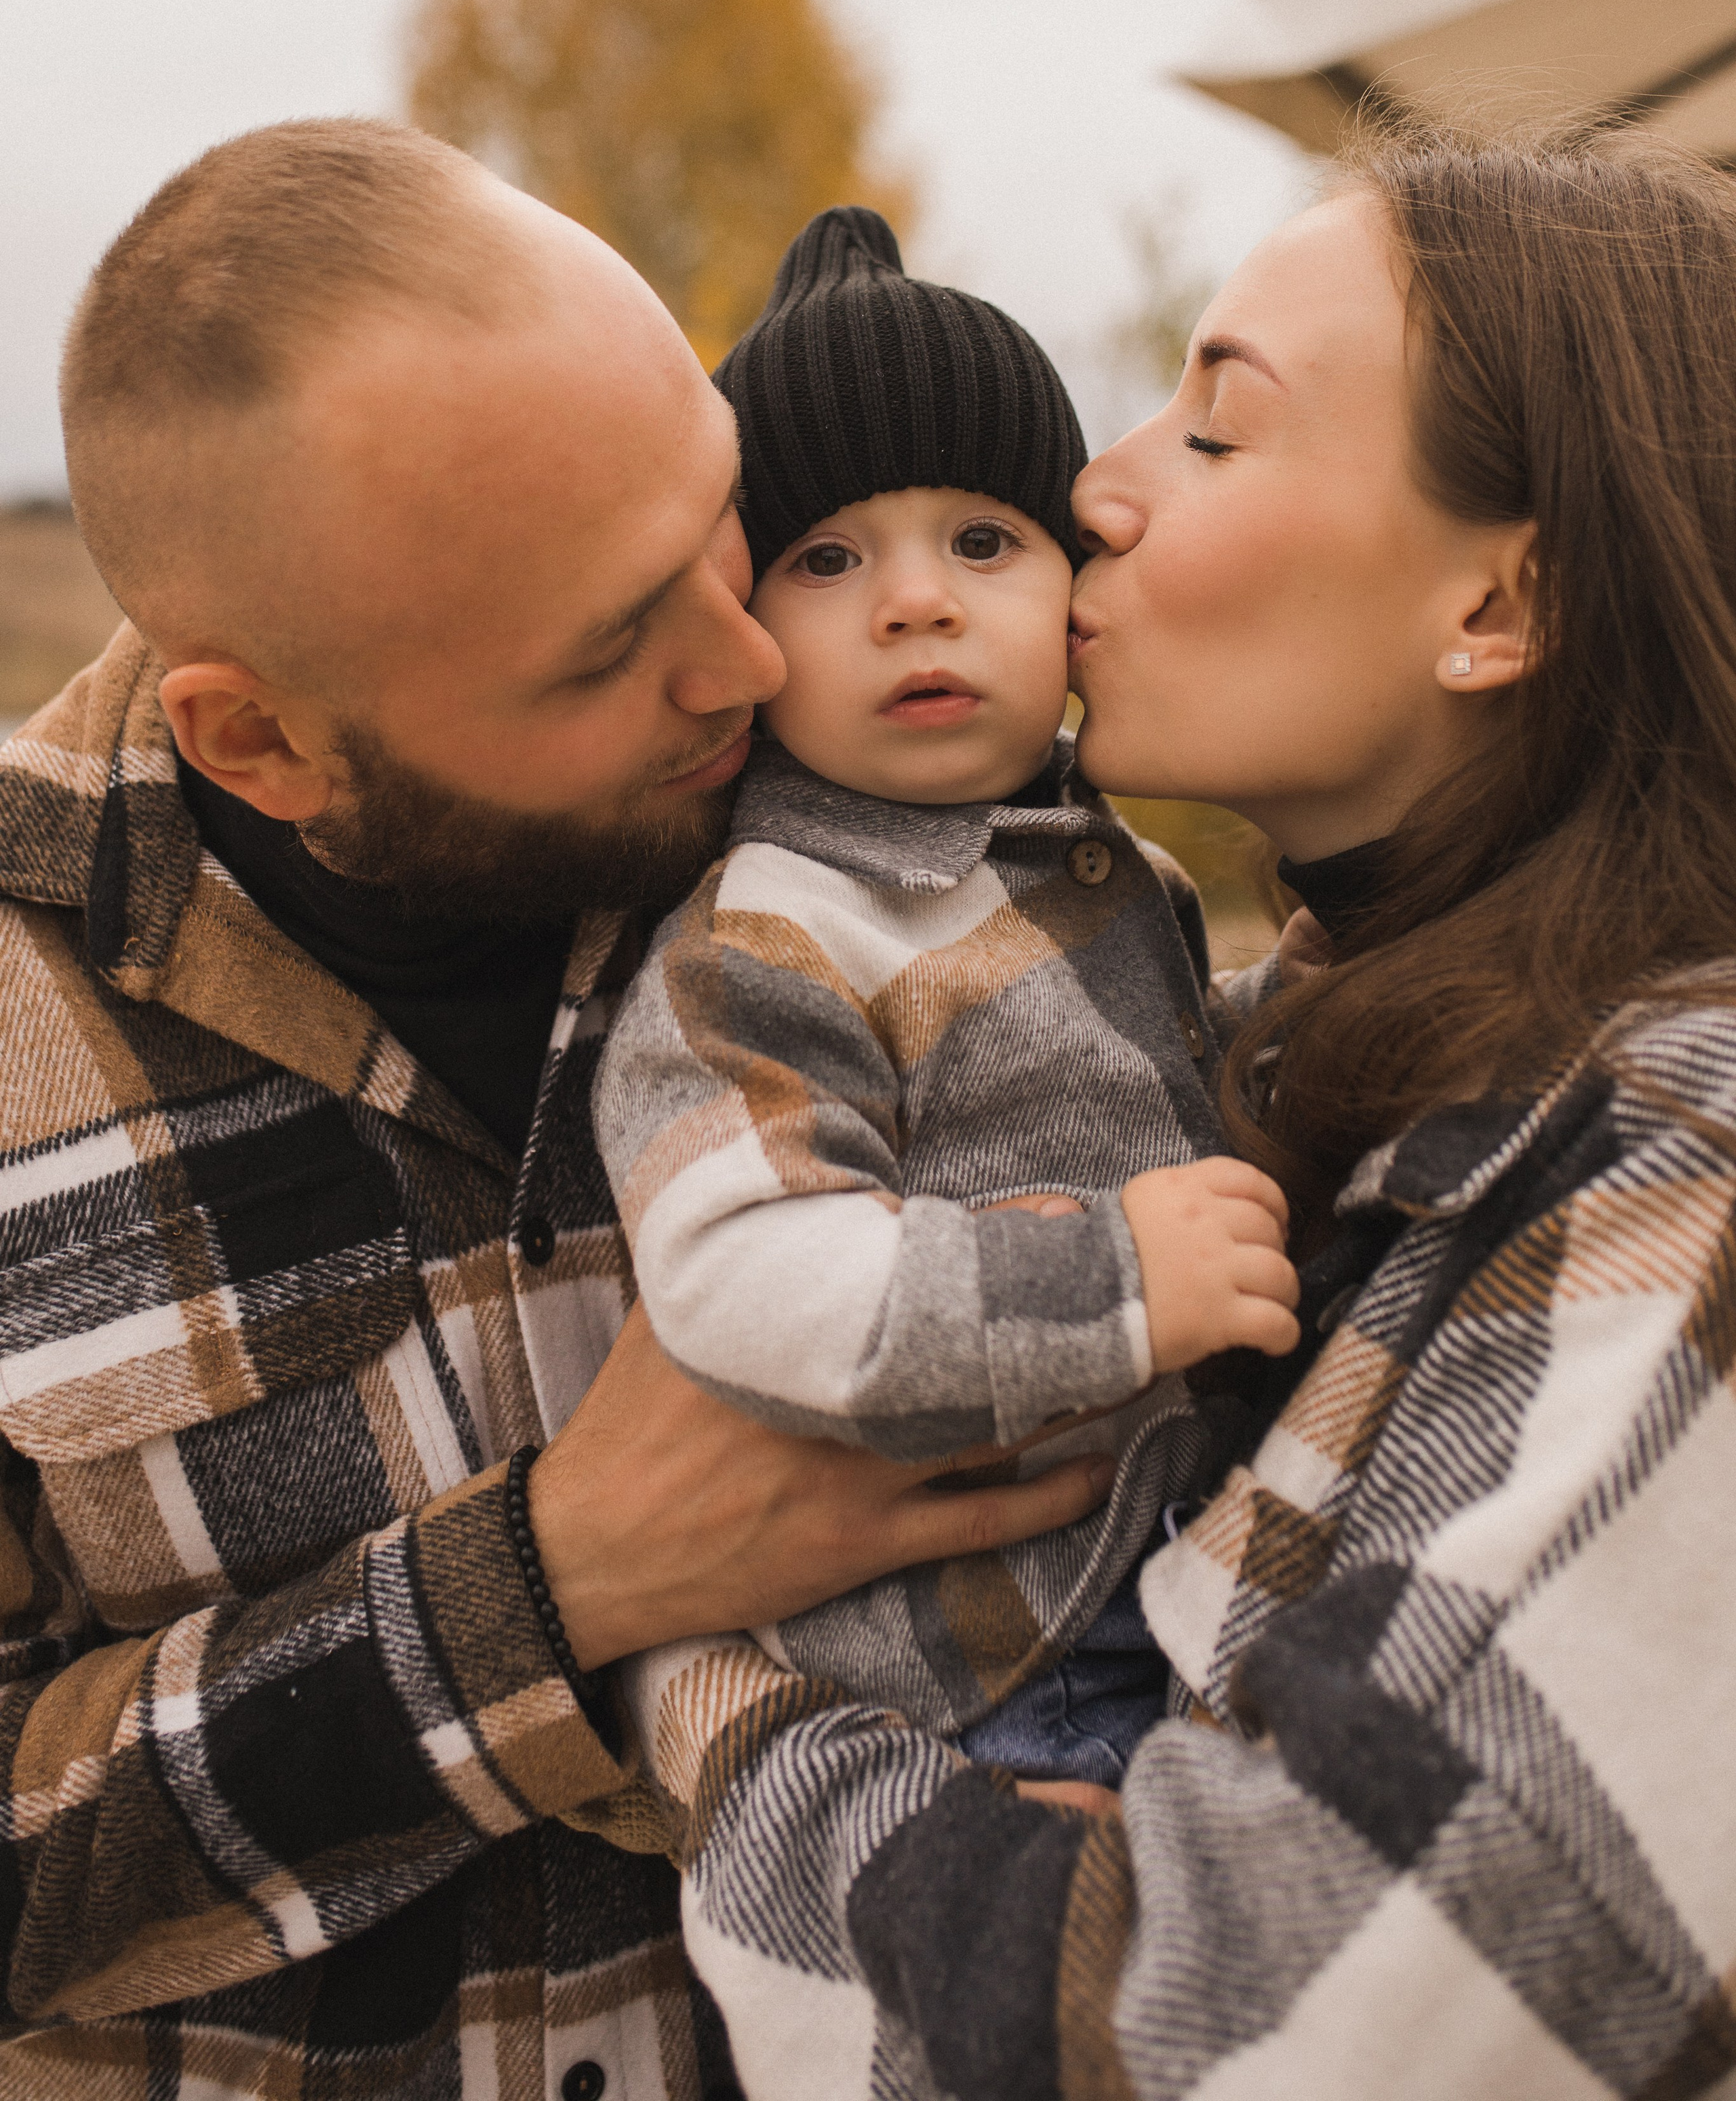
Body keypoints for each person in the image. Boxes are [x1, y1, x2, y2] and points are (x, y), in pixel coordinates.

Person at [0, 119, 1115, 2097]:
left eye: (721, 513)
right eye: (613, 647)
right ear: (263, 742)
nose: (747, 658)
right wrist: (543, 1592)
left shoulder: (857, 828)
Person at [625, 121, 1736, 2101]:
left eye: (1215, 428)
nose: (1092, 493)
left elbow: (1194, 2041)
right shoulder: (1333, 1052)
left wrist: (692, 1671)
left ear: (1499, 605)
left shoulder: (1680, 1164)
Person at [595, 205, 1297, 1790]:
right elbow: (740, 1270)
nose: (914, 601)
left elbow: (1166, 1087)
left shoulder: (1092, 871)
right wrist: (1105, 1279)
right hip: (993, 1661)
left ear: (1072, 588)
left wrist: (1305, 1009)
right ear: (743, 627)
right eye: (826, 560)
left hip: (1176, 1560)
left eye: (982, 543)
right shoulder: (769, 932)